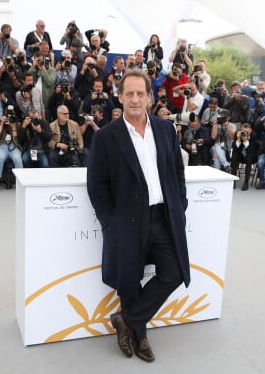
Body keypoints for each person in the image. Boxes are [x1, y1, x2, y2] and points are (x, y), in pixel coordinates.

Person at [87, 69, 189, 363]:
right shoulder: (106, 137)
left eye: (140, 93)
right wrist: (110, 222)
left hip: (162, 218)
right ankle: (140, 335)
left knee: (173, 273)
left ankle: (125, 320)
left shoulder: (166, 129)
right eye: (129, 93)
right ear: (119, 97)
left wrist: (179, 205)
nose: (135, 99)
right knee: (129, 280)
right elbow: (96, 185)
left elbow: (177, 173)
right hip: (127, 222)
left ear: (149, 97)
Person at [230, 122, 257, 191]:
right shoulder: (238, 134)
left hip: (250, 156)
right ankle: (233, 181)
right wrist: (238, 139)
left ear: (250, 130)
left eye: (246, 131)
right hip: (240, 155)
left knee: (249, 157)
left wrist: (245, 140)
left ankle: (246, 182)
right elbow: (235, 148)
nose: (244, 133)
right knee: (234, 156)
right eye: (243, 131)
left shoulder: (254, 135)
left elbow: (250, 150)